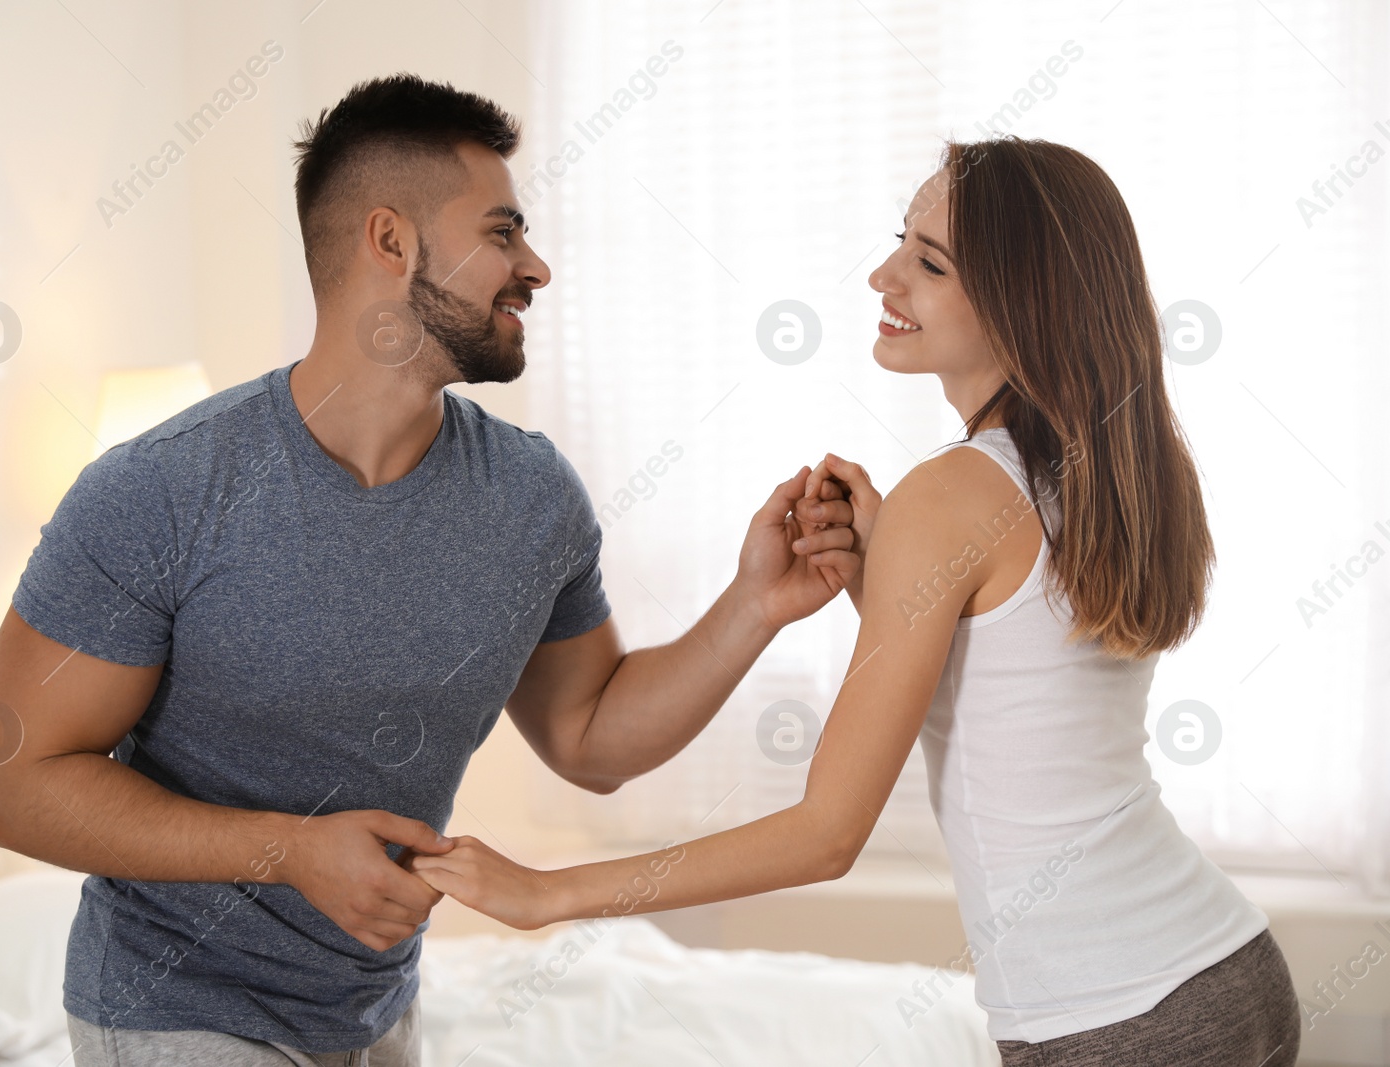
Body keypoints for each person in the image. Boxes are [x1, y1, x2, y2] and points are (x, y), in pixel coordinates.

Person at [0, 74, 862, 1066]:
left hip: (376, 1008)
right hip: (177, 1010)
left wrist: (754, 605)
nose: (537, 266)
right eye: (504, 232)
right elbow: (16, 787)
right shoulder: (157, 491)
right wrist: (292, 850)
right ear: (390, 243)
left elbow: (591, 735)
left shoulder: (531, 496)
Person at [407, 137, 1304, 1067]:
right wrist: (886, 585)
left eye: (929, 260)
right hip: (1229, 970)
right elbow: (1021, 697)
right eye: (899, 243)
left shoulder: (951, 494)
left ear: (1020, 298)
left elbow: (825, 834)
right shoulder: (1102, 472)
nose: (884, 275)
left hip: (1117, 1021)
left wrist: (548, 893)